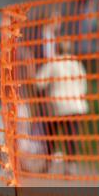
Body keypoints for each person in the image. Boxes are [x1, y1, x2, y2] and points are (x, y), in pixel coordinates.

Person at [35, 40, 89, 175]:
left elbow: (38, 82)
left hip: (57, 106)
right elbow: (84, 86)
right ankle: (71, 166)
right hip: (77, 106)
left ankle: (48, 163)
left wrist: (40, 99)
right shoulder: (77, 64)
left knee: (51, 135)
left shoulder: (54, 62)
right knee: (71, 136)